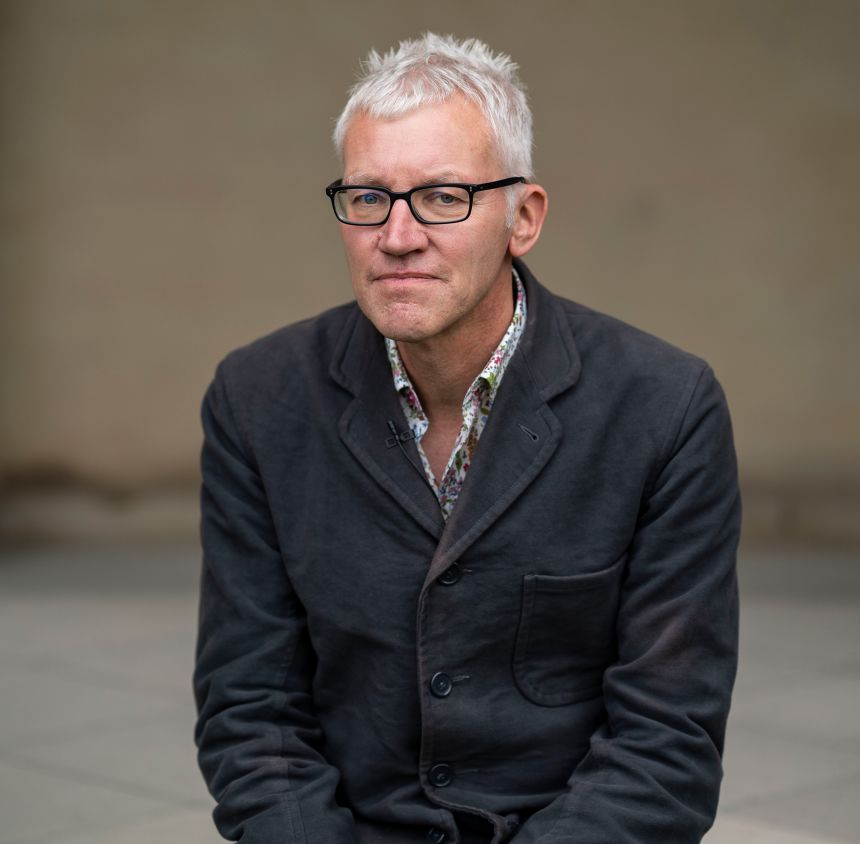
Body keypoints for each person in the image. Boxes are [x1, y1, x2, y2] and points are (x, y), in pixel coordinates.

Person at [194, 33, 741, 844]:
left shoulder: (664, 406)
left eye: (445, 196)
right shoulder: (257, 398)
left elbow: (666, 743)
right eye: (369, 197)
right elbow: (253, 714)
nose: (399, 234)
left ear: (524, 218)